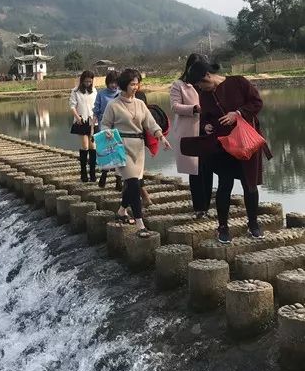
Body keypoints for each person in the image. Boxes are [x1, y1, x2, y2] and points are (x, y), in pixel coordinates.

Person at [187, 60, 271, 243]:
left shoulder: (238, 82)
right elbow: (203, 118)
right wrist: (206, 126)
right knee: (225, 184)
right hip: (223, 147)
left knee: (250, 185)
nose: (201, 88)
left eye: (201, 84)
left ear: (208, 76)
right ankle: (223, 227)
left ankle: (253, 224)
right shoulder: (205, 95)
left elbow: (257, 102)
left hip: (246, 142)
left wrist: (238, 113)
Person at [101, 68, 171, 238]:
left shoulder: (140, 104)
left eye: (137, 83)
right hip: (121, 146)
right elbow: (104, 124)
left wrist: (161, 136)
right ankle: (140, 223)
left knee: (134, 183)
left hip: (138, 147)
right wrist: (107, 132)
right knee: (133, 183)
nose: (136, 87)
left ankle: (121, 211)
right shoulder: (113, 105)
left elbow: (151, 123)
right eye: (132, 84)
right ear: (124, 85)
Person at [171, 53, 212, 218]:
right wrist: (193, 109)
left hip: (207, 130)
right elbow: (174, 106)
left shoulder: (206, 84)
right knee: (195, 171)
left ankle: (207, 206)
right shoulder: (179, 85)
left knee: (207, 169)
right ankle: (198, 208)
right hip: (191, 132)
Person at [93, 70, 121, 190]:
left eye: (115, 83)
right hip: (104, 126)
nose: (113, 85)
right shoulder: (101, 94)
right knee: (105, 152)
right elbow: (95, 111)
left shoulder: (121, 94)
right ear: (107, 83)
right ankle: (104, 175)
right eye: (111, 83)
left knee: (118, 153)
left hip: (118, 126)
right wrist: (93, 128)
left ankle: (118, 180)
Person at [69, 70, 98, 182]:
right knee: (85, 146)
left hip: (92, 121)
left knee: (93, 146)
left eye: (90, 82)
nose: (88, 83)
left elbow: (96, 106)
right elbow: (72, 106)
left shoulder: (94, 91)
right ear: (82, 80)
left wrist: (96, 117)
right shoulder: (75, 91)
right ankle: (83, 173)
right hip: (81, 120)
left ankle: (93, 173)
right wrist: (77, 117)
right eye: (86, 81)